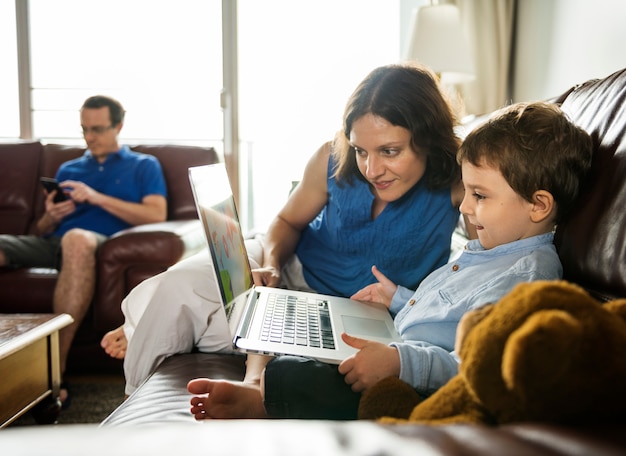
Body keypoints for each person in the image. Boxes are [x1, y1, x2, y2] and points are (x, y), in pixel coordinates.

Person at [187, 100, 594, 420]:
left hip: (413, 379)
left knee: (306, 377)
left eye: (480, 195)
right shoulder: (492, 252)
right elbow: (447, 312)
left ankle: (261, 400)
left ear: (539, 205)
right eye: (467, 191)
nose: (465, 207)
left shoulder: (527, 277)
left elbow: (475, 365)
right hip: (397, 343)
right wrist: (397, 298)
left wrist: (401, 362)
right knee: (314, 347)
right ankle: (265, 382)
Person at [101, 62, 472, 396]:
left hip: (349, 312)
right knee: (177, 285)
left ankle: (139, 325)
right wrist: (274, 264)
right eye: (361, 150)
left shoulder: (460, 181)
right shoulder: (332, 156)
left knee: (185, 319)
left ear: (428, 139)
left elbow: (489, 263)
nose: (371, 170)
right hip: (287, 268)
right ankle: (134, 404)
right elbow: (287, 221)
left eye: (389, 151)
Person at [0, 95, 168, 406]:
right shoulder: (68, 168)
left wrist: (95, 197)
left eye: (98, 129)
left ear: (118, 125)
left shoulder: (144, 165)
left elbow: (156, 215)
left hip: (98, 245)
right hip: (53, 243)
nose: (90, 138)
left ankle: (54, 374)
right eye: (84, 129)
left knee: (77, 239)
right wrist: (51, 216)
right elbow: (40, 231)